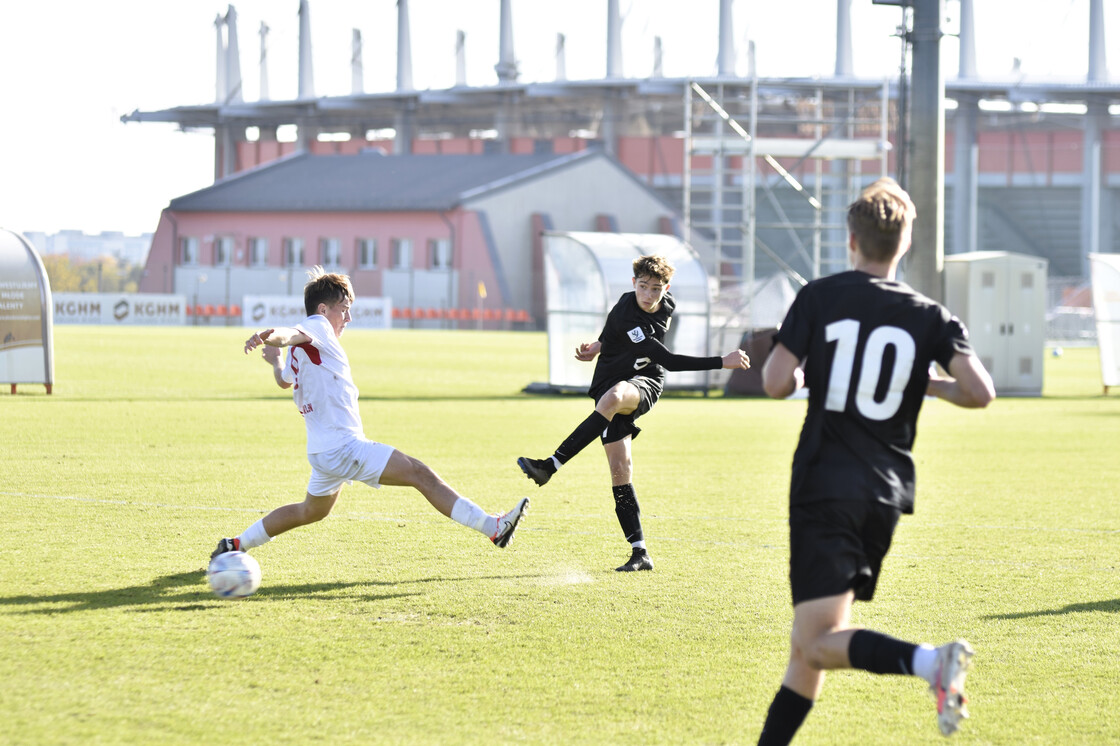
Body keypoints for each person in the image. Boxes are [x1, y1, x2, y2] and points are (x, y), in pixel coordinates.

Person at [756, 178, 996, 744]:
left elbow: (773, 383)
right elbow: (981, 391)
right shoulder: (930, 315)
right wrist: (928, 386)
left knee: (816, 642)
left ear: (851, 241)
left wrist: (803, 370)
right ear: (904, 243)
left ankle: (930, 663)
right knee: (807, 648)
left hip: (823, 486)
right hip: (884, 493)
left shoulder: (819, 295)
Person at [211, 266, 528, 563]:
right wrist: (267, 336)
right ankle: (494, 528)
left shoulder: (304, 348)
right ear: (323, 310)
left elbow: (285, 381)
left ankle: (235, 545)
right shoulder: (316, 327)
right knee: (421, 474)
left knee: (311, 510)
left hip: (322, 451)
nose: (348, 317)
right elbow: (287, 333)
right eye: (343, 308)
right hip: (344, 447)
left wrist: (276, 361)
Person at [516, 254, 750, 572]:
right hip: (610, 378)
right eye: (643, 287)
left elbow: (663, 361)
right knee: (620, 468)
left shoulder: (667, 305)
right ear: (633, 284)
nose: (649, 295)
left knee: (615, 398)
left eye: (656, 289)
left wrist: (722, 361)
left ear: (666, 288)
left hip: (644, 382)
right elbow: (622, 332)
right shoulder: (628, 312)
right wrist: (597, 347)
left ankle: (550, 465)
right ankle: (640, 553)